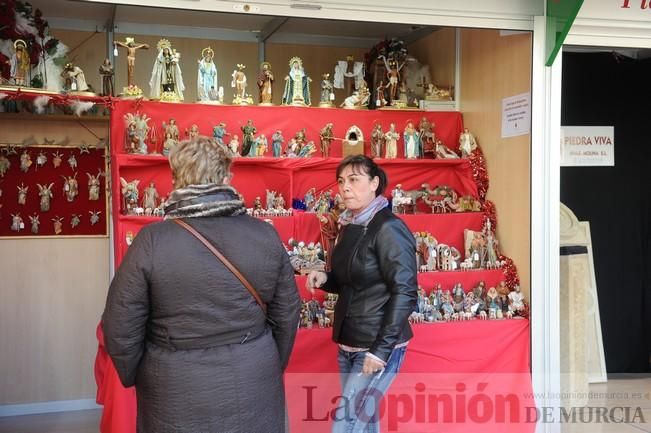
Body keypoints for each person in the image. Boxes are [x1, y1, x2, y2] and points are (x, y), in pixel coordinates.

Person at [102, 136, 300, 433]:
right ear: (226, 176)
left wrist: (139, 374)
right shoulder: (264, 235)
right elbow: (287, 314)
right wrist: (268, 360)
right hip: (252, 375)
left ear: (176, 179)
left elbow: (119, 325)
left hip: (174, 385)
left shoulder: (152, 241)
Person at [306, 155, 417, 433]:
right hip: (349, 342)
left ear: (374, 183)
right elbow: (349, 281)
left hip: (376, 345)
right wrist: (325, 279)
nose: (345, 188)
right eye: (341, 181)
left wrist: (380, 351)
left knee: (346, 423)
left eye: (354, 180)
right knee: (363, 423)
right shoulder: (350, 225)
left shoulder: (389, 228)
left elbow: (405, 292)